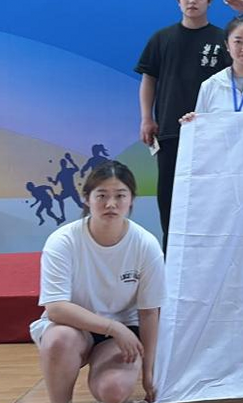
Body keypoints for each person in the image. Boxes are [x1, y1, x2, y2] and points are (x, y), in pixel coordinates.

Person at [30, 161, 165, 403]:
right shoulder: (62, 241)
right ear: (86, 199)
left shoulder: (146, 244)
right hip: (74, 328)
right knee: (58, 340)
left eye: (120, 195)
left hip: (124, 331)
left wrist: (148, 373)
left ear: (131, 200)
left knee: (113, 390)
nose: (111, 204)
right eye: (101, 195)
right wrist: (112, 327)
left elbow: (149, 313)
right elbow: (56, 307)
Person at [135, 0, 230, 251]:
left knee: (209, 199)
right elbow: (149, 80)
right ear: (178, 1)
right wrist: (146, 118)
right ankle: (171, 257)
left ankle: (208, 256)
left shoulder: (222, 40)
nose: (192, 1)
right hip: (170, 132)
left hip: (212, 135)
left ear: (210, 1)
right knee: (169, 199)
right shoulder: (161, 38)